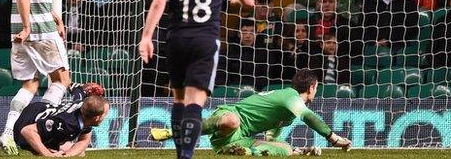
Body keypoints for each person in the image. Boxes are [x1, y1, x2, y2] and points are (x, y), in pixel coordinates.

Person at [138, 0, 254, 159]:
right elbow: (250, 2)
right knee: (195, 102)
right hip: (205, 40)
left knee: (178, 99)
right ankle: (187, 155)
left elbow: (159, 2)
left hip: (176, 39)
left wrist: (147, 36)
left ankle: (181, 153)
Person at [150, 69, 352, 156]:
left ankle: (240, 152)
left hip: (241, 139)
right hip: (230, 118)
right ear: (312, 87)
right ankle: (174, 131)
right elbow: (309, 117)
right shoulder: (291, 97)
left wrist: (290, 148)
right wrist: (334, 139)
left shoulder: (289, 110)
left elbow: (272, 133)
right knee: (231, 121)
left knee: (287, 150)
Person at [1, 0, 72, 155]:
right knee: (62, 81)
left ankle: (6, 134)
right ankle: (38, 129)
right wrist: (29, 27)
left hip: (19, 30)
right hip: (38, 31)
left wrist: (55, 14)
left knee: (29, 84)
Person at [13, 95, 110, 157]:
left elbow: (84, 139)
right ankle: (4, 138)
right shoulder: (66, 124)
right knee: (44, 152)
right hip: (26, 124)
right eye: (105, 114)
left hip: (42, 113)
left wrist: (67, 155)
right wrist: (47, 154)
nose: (106, 116)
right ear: (96, 118)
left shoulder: (85, 108)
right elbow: (27, 130)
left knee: (79, 153)